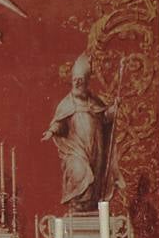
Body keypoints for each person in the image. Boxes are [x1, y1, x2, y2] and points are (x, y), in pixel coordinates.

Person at [42, 53, 118, 212]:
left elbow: (104, 119)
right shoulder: (67, 103)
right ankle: (78, 206)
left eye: (80, 81)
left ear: (86, 83)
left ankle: (88, 208)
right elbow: (59, 123)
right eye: (75, 80)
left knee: (94, 179)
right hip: (74, 150)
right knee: (80, 172)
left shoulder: (95, 102)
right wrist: (51, 131)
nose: (77, 83)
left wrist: (112, 111)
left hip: (94, 150)